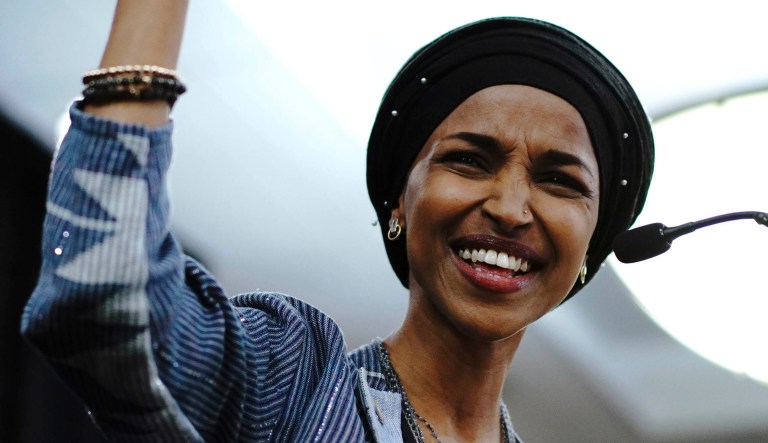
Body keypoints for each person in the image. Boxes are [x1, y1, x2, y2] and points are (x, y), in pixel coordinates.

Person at [20, 0, 654, 442]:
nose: (512, 208)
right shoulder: (293, 380)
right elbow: (103, 296)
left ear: (591, 248)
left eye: (558, 182)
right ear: (399, 204)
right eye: (468, 160)